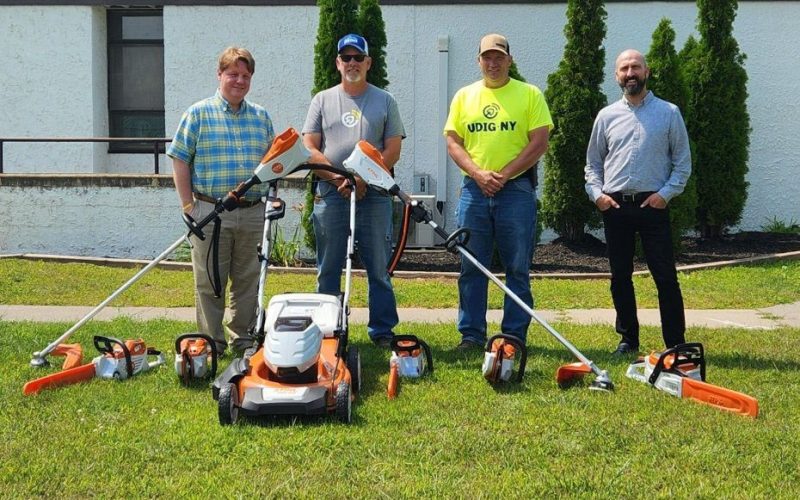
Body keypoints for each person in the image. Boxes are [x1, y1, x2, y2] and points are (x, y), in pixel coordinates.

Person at [443, 33, 553, 350]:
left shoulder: (529, 94)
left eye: (499, 57)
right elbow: (453, 142)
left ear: (510, 59)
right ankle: (471, 335)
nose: (493, 63)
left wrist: (502, 175)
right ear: (479, 61)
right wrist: (479, 174)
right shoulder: (464, 97)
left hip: (516, 191)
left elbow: (539, 142)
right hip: (474, 191)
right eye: (487, 57)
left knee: (517, 267)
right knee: (471, 266)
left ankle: (513, 336)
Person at [167, 47, 275, 355]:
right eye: (233, 74)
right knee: (209, 282)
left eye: (245, 75)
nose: (239, 81)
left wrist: (272, 202)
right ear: (220, 75)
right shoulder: (198, 113)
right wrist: (188, 206)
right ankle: (210, 344)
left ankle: (243, 341)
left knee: (248, 282)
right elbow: (180, 160)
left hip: (253, 213)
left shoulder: (261, 117)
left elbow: (273, 164)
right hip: (210, 211)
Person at [585, 49, 692, 355]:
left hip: (652, 206)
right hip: (615, 207)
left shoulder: (669, 113)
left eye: (635, 67)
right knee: (620, 276)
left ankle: (675, 342)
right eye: (624, 69)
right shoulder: (607, 116)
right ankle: (628, 339)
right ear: (616, 76)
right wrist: (598, 195)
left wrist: (665, 194)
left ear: (647, 72)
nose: (630, 73)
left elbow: (682, 163)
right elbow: (593, 164)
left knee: (665, 276)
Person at [302, 33, 405, 349]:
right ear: (337, 63)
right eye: (345, 58)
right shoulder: (322, 99)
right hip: (332, 193)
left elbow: (393, 149)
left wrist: (363, 178)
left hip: (373, 193)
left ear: (368, 62)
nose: (351, 63)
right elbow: (309, 147)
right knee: (328, 267)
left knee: (378, 267)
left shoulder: (385, 100)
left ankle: (383, 331)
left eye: (357, 57)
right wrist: (338, 180)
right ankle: (326, 330)